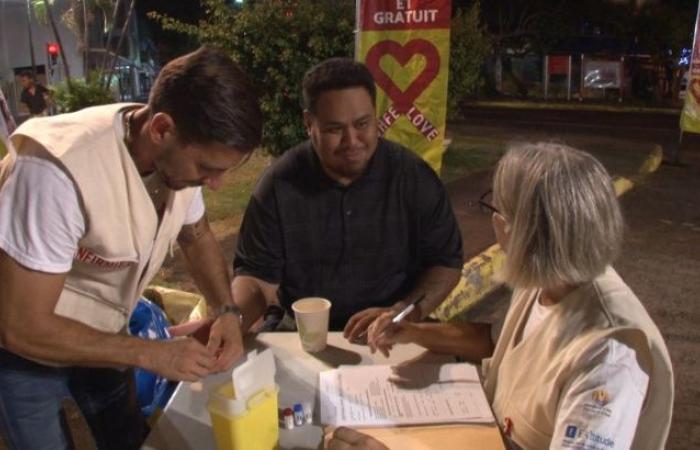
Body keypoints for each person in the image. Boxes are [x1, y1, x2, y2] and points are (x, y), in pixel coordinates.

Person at [0, 47, 263, 449]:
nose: (216, 184)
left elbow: (196, 234)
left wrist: (225, 311)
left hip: (105, 329)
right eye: (207, 169)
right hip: (23, 350)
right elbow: (20, 326)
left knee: (127, 439)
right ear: (161, 129)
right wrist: (149, 353)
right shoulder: (55, 172)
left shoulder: (175, 160)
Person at [335, 143, 674, 450]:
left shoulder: (610, 354)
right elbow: (500, 342)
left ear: (514, 229)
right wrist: (415, 331)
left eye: (495, 209)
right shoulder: (549, 278)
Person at [230, 57, 463, 341]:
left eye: (362, 124)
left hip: (394, 330)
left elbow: (446, 263)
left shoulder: (413, 178)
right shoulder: (279, 184)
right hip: (303, 333)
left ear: (376, 116)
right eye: (334, 129)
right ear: (308, 123)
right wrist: (231, 319)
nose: (352, 141)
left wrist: (403, 312)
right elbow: (255, 277)